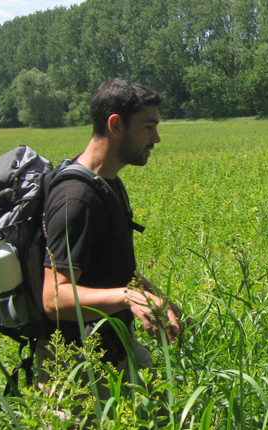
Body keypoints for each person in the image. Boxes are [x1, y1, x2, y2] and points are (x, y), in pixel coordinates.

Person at [39, 78, 181, 374]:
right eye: (148, 126)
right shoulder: (76, 198)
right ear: (116, 125)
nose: (156, 139)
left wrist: (158, 300)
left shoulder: (107, 183)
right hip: (79, 365)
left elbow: (112, 269)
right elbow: (54, 298)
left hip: (115, 343)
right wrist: (129, 298)